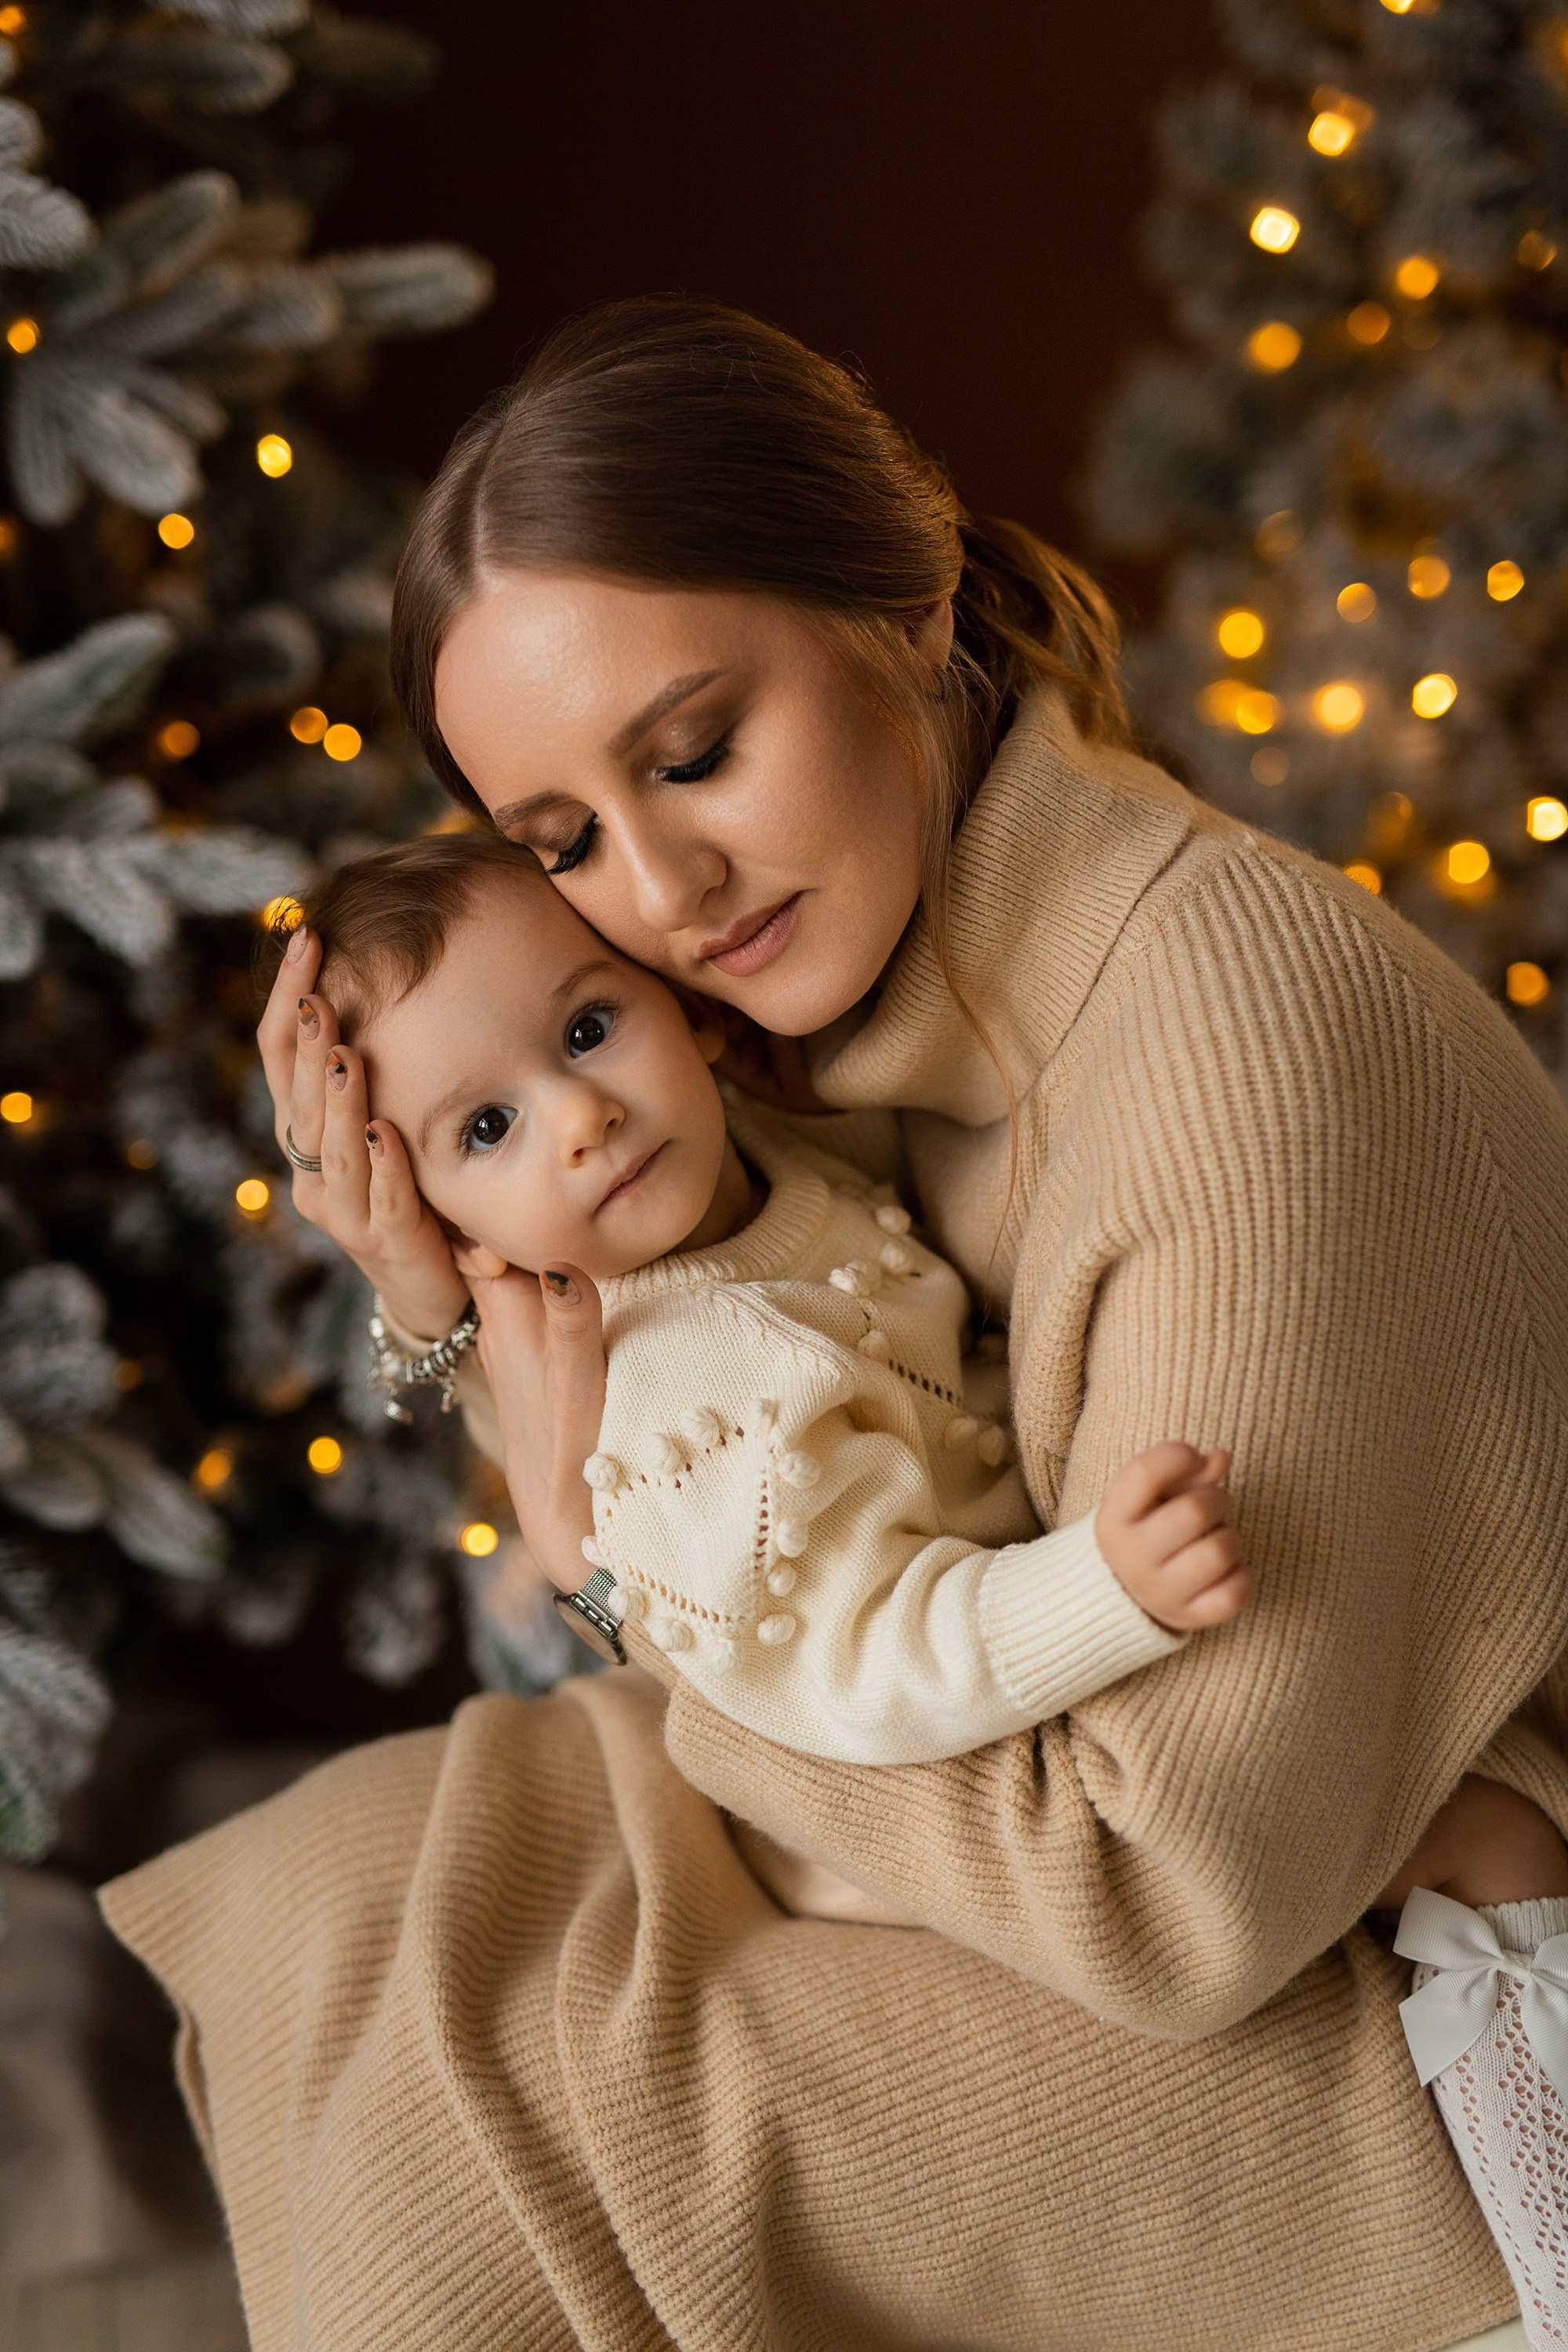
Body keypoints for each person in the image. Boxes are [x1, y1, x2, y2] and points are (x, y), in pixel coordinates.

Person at [103, 299, 1568, 2350]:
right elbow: (737, 1440)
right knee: (361, 1889)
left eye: (696, 751)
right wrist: (459, 1301)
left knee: (502, 2093)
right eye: (566, 846)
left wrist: (614, 1574)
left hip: (1409, 1962)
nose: (667, 886)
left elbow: (1167, 1906)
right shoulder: (837, 1021)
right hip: (1081, 1790)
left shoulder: (1234, 1040)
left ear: (917, 599)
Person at [278, 828, 1250, 1764]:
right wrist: (1099, 1587)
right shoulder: (689, 1406)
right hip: (995, 1708)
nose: (581, 1114)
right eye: (488, 1126)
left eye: (587, 1029)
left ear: (686, 1010)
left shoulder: (756, 1155)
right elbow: (866, 1670)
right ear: (449, 1232)